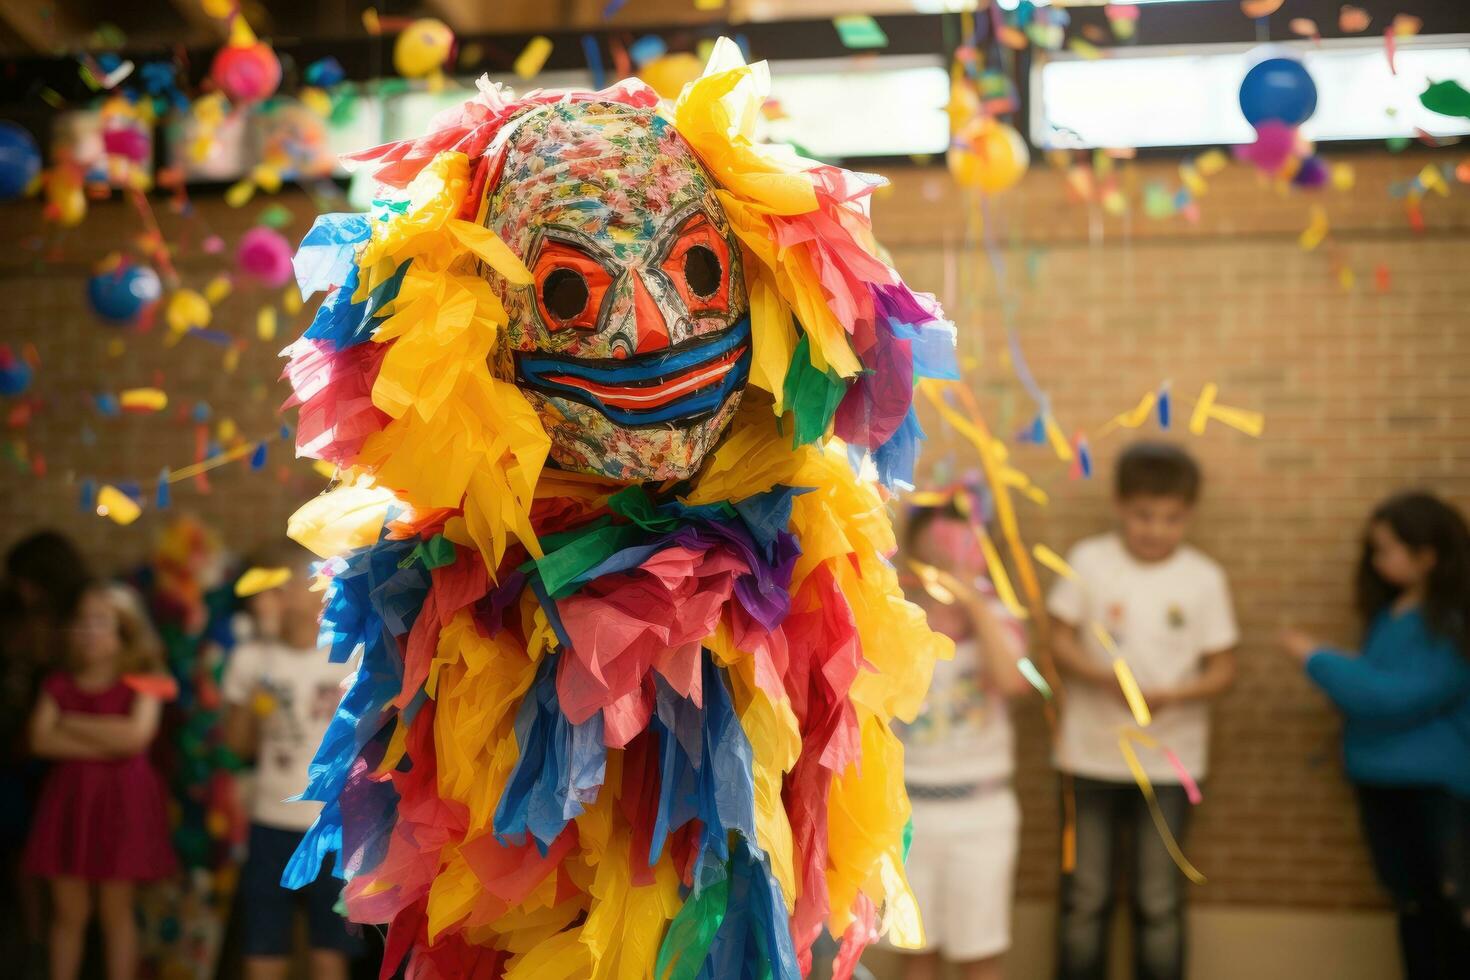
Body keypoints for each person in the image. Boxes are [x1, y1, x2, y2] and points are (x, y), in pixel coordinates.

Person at [1047, 441, 1238, 980]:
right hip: (1088, 756)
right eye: (1143, 515)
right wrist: (1102, 679)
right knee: (1085, 897)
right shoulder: (1088, 560)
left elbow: (1224, 669)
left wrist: (1174, 696)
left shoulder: (1204, 578)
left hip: (1170, 763)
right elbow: (1057, 638)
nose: (1156, 529)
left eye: (1172, 518)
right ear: (1119, 505)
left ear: (1190, 515)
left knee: (1159, 902)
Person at [1279, 491, 1470, 980]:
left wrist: (1316, 658)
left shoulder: (1451, 623)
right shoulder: (1391, 616)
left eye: (1385, 549)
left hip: (1435, 788)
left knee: (1451, 906)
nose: (1376, 561)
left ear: (1427, 556)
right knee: (1411, 908)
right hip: (1379, 780)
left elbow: (1390, 698)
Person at [894, 492, 1030, 980]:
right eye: (939, 551)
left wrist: (975, 602)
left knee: (980, 953)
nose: (951, 562)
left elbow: (1012, 681)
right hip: (909, 811)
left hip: (983, 812)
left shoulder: (1000, 614)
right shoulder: (895, 616)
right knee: (917, 952)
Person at [24, 581, 178, 980]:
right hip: (70, 802)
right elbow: (40, 739)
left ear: (124, 628)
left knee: (117, 911)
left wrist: (70, 723)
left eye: (100, 622)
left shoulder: (147, 675)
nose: (89, 631)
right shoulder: (59, 679)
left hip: (122, 803)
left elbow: (136, 737)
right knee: (67, 912)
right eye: (82, 622)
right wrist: (111, 741)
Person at [221, 548, 361, 980]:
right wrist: (257, 689)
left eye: (289, 582)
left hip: (333, 824)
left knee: (329, 951)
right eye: (273, 585)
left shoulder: (347, 653)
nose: (280, 593)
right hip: (269, 820)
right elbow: (236, 745)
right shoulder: (250, 658)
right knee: (263, 946)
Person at [0, 531, 92, 978]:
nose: (20, 590)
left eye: (25, 580)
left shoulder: (78, 616)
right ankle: (35, 939)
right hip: (20, 745)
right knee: (25, 847)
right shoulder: (19, 620)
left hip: (62, 751)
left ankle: (46, 940)